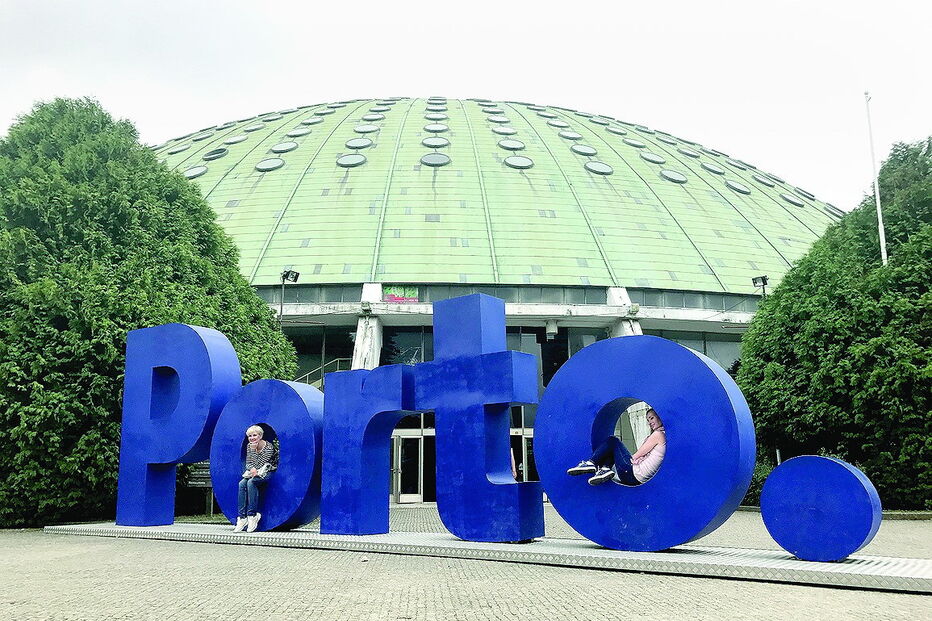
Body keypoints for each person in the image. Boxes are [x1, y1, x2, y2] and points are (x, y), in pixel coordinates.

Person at [566, 408, 665, 486]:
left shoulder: (658, 434)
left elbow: (636, 456)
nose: (649, 422)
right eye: (647, 420)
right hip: (638, 478)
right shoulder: (665, 436)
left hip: (632, 473)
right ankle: (605, 469)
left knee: (613, 441)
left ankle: (591, 463)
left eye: (652, 418)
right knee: (614, 451)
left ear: (659, 416)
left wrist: (635, 459)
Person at [234, 424, 278, 533]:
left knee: (251, 483)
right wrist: (252, 467)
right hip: (254, 472)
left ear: (260, 436)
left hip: (268, 472)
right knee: (242, 483)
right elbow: (249, 464)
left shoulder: (268, 447)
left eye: (254, 435)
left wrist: (253, 454)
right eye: (249, 436)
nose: (252, 438)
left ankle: (252, 515)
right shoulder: (249, 446)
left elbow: (262, 464)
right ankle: (242, 518)